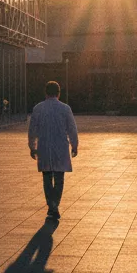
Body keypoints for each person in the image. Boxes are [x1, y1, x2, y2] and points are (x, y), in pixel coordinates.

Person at [28, 81, 78, 219]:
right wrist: (74, 145)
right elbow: (72, 129)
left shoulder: (38, 108)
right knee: (59, 178)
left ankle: (51, 205)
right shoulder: (65, 108)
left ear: (46, 92)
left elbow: (32, 130)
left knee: (47, 178)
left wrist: (32, 146)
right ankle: (55, 204)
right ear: (58, 93)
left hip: (44, 147)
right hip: (60, 148)